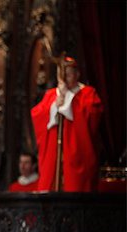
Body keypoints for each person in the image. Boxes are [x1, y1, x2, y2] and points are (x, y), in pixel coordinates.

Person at [31, 57, 103, 192]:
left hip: (77, 157)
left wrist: (68, 98)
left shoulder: (88, 93)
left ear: (77, 74)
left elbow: (91, 118)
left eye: (68, 75)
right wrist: (54, 107)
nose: (64, 79)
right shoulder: (51, 95)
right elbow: (38, 115)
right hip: (54, 155)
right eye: (61, 75)